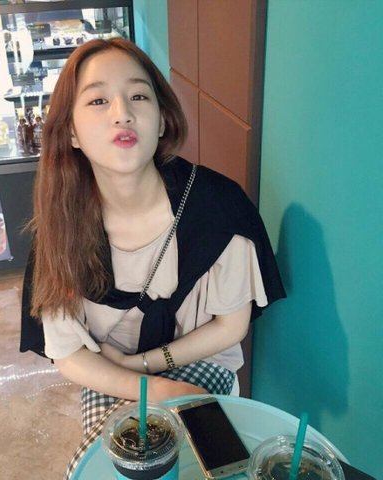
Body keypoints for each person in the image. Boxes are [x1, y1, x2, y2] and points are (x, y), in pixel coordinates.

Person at [20, 37, 285, 478]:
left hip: (199, 362)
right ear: (71, 133)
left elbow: (230, 327)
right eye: (98, 100)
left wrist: (144, 363)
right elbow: (69, 355)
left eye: (139, 96)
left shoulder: (218, 207)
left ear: (162, 120)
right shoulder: (59, 224)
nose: (121, 113)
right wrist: (147, 384)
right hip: (109, 374)